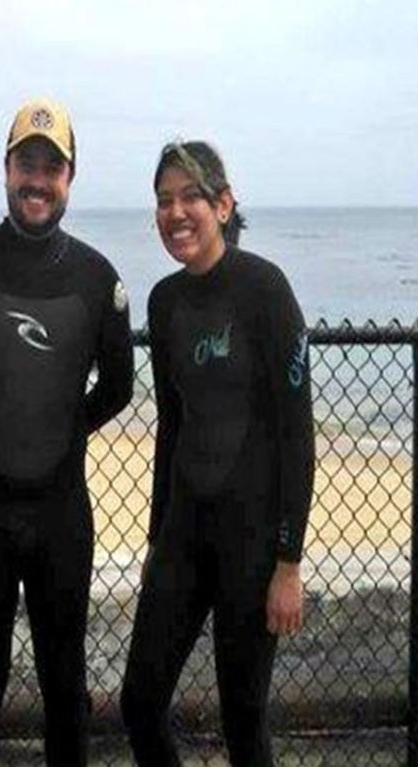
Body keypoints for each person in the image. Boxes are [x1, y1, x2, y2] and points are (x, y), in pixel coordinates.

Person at [0, 98, 134, 766]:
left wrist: (64, 428)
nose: (37, 180)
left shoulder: (98, 278)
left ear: (70, 177)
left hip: (61, 515)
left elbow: (119, 387)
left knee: (64, 679)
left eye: (51, 167)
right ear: (6, 169)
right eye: (26, 164)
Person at [120, 141, 315, 767]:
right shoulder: (164, 302)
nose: (175, 213)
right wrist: (155, 540)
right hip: (182, 537)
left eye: (190, 197)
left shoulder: (265, 290)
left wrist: (288, 562)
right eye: (163, 200)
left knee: (243, 720)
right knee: (139, 702)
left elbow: (297, 434)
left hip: (251, 545)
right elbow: (171, 428)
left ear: (223, 205)